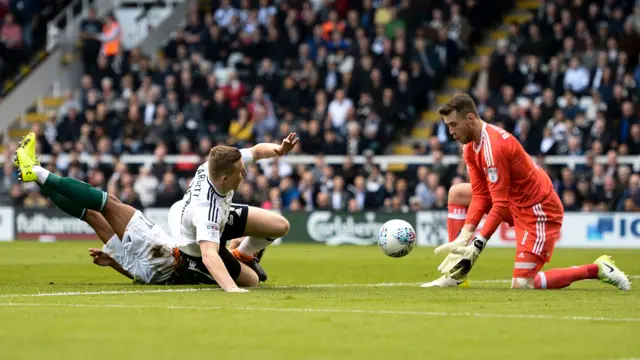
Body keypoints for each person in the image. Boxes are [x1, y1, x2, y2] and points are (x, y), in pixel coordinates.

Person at [422, 94, 631, 290]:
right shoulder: (470, 147)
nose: (450, 132)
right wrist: (464, 236)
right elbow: (481, 195)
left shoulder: (494, 146)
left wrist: (477, 244)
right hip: (513, 202)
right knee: (457, 193)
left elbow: (499, 203)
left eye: (453, 125)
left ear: (470, 118)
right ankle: (455, 274)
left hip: (538, 210)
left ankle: (598, 269)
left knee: (523, 284)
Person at [14, 133, 259, 290]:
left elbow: (213, 257)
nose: (236, 243)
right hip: (154, 268)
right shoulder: (216, 258)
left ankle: (36, 173)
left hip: (162, 257)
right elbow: (145, 276)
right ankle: (34, 173)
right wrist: (114, 263)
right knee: (93, 214)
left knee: (107, 203)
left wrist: (234, 284)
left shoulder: (216, 257)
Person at [172, 133, 299, 292]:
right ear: (225, 179)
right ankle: (192, 268)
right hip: (197, 248)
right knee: (253, 280)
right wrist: (232, 289)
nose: (245, 172)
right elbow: (209, 255)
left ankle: (242, 255)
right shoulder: (207, 210)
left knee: (280, 225)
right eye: (240, 171)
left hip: (220, 218)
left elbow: (256, 151)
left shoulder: (221, 165)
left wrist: (279, 149)